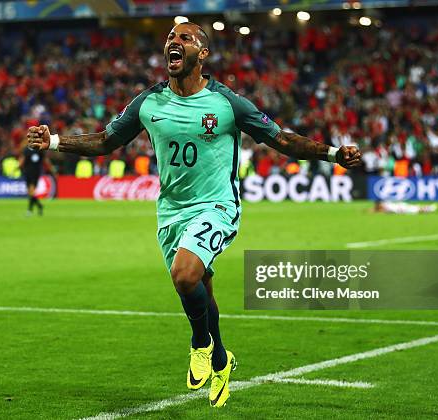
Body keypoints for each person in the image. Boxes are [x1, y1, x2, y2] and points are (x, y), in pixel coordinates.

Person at [27, 22, 361, 408]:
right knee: (198, 285)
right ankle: (220, 358)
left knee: (185, 275)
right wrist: (54, 141)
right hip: (171, 212)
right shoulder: (148, 103)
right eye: (171, 38)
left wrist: (334, 154)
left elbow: (282, 139)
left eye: (185, 38)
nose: (175, 41)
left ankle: (199, 342)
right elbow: (106, 141)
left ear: (202, 54)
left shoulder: (227, 103)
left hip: (217, 206)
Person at [18, 143, 47, 216]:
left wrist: (18, 166)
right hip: (29, 173)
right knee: (30, 193)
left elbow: (44, 160)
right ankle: (39, 205)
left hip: (34, 173)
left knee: (31, 191)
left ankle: (29, 210)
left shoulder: (37, 149)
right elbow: (23, 159)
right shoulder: (28, 149)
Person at [373, 200, 438, 214]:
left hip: (401, 208)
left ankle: (429, 208)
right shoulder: (385, 204)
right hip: (401, 207)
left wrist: (372, 211)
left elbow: (379, 210)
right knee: (416, 208)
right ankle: (429, 207)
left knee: (416, 210)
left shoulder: (385, 206)